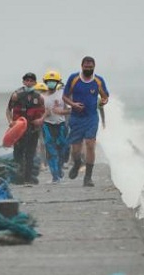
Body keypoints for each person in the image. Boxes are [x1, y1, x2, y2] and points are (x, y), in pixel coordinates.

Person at [62, 56, 109, 187]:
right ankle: (77, 163)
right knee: (76, 149)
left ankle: (88, 177)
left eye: (91, 67)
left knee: (90, 144)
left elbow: (105, 97)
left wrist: (104, 101)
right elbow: (65, 96)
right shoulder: (74, 78)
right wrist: (73, 104)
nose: (88, 68)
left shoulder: (99, 80)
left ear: (94, 67)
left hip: (91, 117)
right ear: (81, 66)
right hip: (76, 118)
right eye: (86, 66)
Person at [6, 72, 45, 184]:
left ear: (35, 82)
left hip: (33, 129)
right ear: (23, 82)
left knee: (30, 155)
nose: (29, 83)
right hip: (18, 129)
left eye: (31, 81)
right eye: (26, 80)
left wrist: (41, 120)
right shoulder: (16, 95)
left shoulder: (39, 97)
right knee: (18, 153)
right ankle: (18, 177)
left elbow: (44, 112)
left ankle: (27, 179)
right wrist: (10, 122)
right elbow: (8, 110)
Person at [41, 70, 71, 183]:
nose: (51, 83)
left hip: (61, 125)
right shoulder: (41, 97)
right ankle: (55, 176)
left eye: (54, 81)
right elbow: (39, 113)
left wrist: (61, 112)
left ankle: (59, 170)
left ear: (58, 82)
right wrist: (44, 115)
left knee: (63, 149)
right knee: (51, 150)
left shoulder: (63, 95)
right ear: (45, 82)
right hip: (47, 126)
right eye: (49, 81)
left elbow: (70, 110)